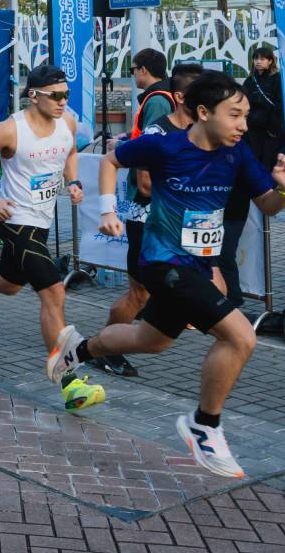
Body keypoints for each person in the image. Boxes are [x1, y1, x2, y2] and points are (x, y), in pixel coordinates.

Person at [58, 71, 285, 478]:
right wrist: (106, 209)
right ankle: (204, 426)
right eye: (235, 114)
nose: (244, 125)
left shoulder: (237, 154)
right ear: (203, 112)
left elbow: (270, 206)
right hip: (162, 261)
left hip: (198, 264)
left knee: (150, 340)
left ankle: (77, 350)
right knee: (240, 336)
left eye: (246, 115)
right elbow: (110, 159)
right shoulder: (164, 145)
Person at [0, 63, 102, 412]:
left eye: (66, 95)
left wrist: (72, 182)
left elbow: (70, 151)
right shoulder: (9, 130)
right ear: (34, 96)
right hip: (14, 221)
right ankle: (69, 381)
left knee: (7, 284)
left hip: (41, 222)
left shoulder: (67, 124)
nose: (62, 102)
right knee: (54, 290)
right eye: (56, 96)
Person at [91, 62, 202, 378]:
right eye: (200, 96)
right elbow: (145, 183)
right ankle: (105, 349)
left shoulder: (197, 132)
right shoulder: (159, 131)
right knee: (138, 295)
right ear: (180, 97)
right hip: (148, 223)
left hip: (179, 225)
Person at [243, 44, 285, 172]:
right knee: (253, 157)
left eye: (262, 59)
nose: (258, 62)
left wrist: (274, 127)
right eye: (256, 59)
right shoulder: (249, 80)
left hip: (270, 128)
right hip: (252, 127)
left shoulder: (277, 79)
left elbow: (280, 104)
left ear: (270, 61)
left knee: (269, 159)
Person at [130, 49, 174, 135]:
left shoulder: (157, 102)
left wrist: (118, 145)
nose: (133, 74)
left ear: (143, 70)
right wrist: (126, 136)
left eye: (133, 69)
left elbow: (151, 142)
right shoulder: (163, 94)